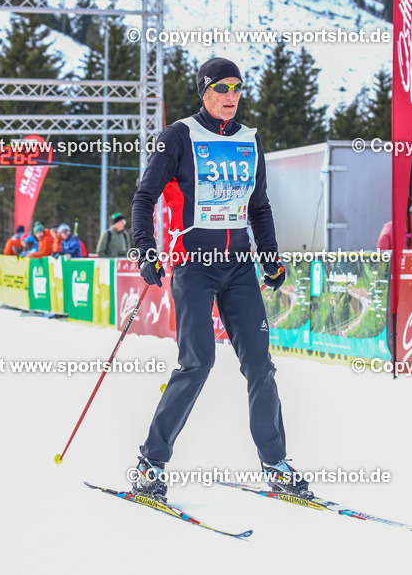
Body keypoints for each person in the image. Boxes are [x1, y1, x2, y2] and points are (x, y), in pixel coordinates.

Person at [128, 57, 306, 502]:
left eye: (238, 88)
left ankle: (276, 464)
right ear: (204, 91)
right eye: (223, 88)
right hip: (194, 264)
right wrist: (144, 248)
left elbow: (259, 206)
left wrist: (270, 258)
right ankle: (151, 463)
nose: (232, 96)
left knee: (260, 365)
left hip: (239, 266)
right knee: (198, 362)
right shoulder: (180, 136)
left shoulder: (250, 140)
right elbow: (145, 196)